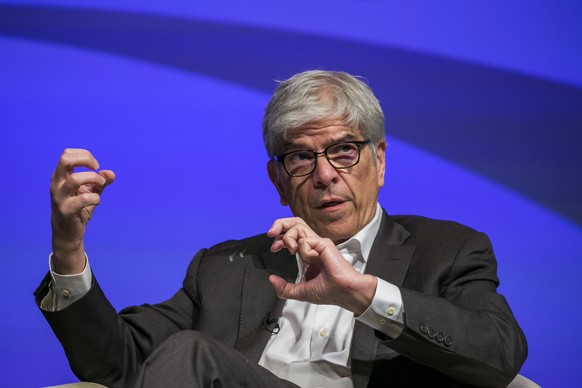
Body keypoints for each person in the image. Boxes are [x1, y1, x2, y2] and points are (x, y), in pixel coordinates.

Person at [36, 70, 527, 388]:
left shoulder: (447, 250)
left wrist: (364, 295)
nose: (325, 174)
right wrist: (68, 249)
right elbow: (117, 363)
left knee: (190, 353)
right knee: (185, 355)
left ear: (378, 162)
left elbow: (498, 352)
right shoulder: (227, 266)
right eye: (300, 157)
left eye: (344, 149)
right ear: (278, 180)